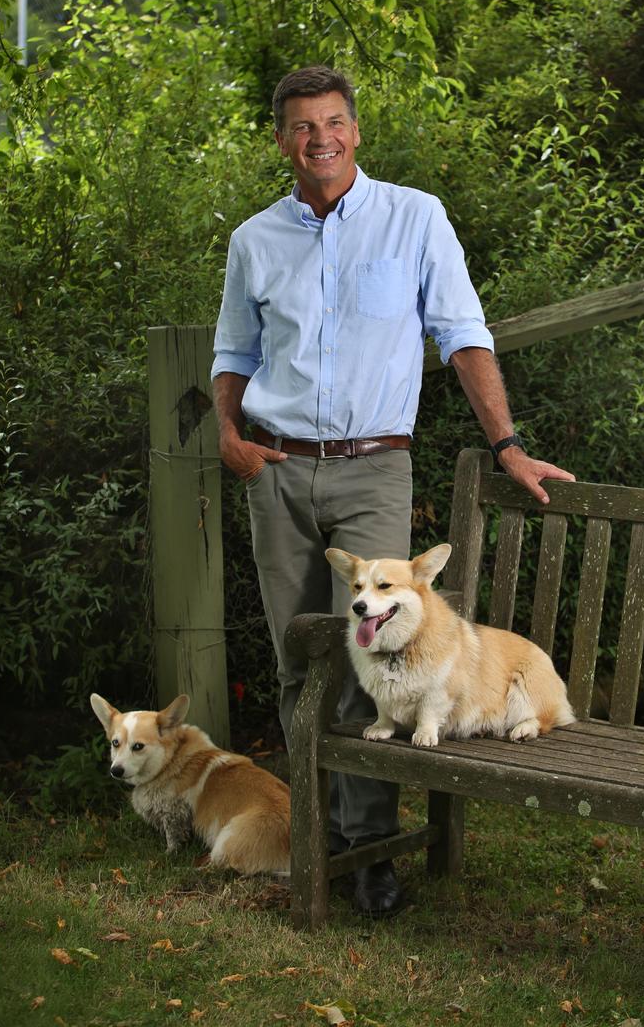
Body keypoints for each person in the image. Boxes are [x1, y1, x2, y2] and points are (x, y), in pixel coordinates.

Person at [211, 65, 574, 916]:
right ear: (281, 139)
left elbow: (461, 333)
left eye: (334, 121)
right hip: (279, 470)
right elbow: (234, 350)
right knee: (299, 657)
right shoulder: (255, 240)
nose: (320, 138)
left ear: (356, 130)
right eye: (303, 126)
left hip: (375, 467)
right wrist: (231, 436)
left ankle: (371, 849)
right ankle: (318, 841)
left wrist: (509, 444)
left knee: (374, 660)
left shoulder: (415, 217)